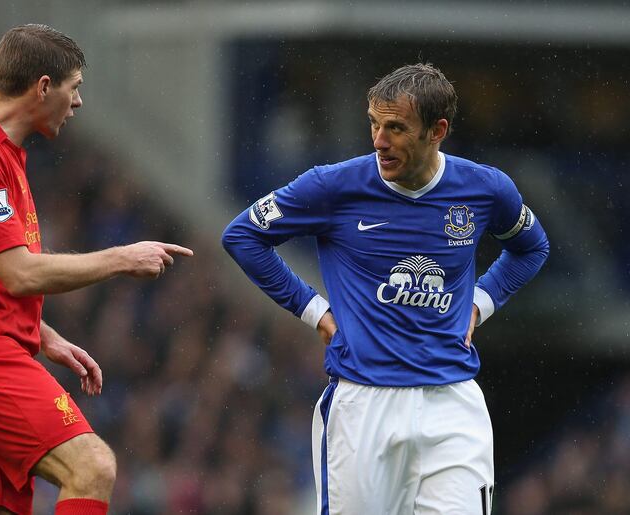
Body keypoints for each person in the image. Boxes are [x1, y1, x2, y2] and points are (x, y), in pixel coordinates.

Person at [222, 63, 549, 514]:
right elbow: (243, 236)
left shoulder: (485, 189)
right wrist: (313, 310)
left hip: (452, 402)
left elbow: (531, 248)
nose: (379, 141)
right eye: (374, 124)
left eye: (395, 128)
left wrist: (479, 304)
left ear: (437, 130)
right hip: (363, 403)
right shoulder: (332, 185)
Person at [0, 24, 193, 515]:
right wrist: (123, 258)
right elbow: (20, 273)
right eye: (74, 87)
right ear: (42, 87)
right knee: (92, 467)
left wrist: (40, 332)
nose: (77, 102)